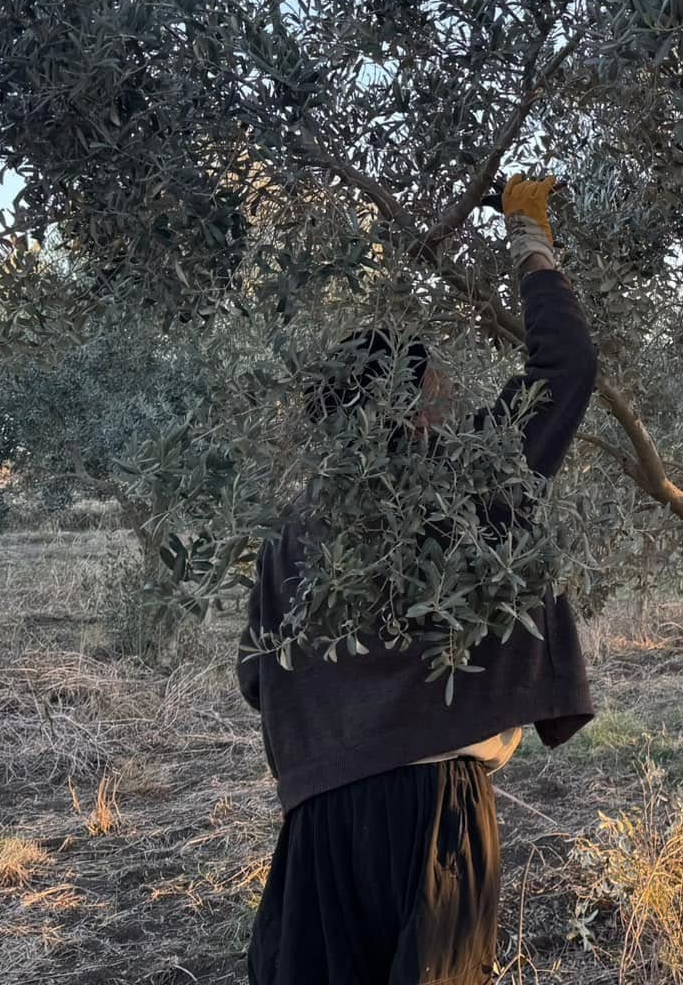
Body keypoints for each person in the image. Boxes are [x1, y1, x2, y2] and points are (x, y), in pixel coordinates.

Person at [239, 175, 597, 985]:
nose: (452, 400)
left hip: (320, 819)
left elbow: (258, 676)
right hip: (433, 808)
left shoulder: (294, 526)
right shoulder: (466, 475)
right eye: (438, 389)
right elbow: (566, 362)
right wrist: (528, 230)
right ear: (406, 406)